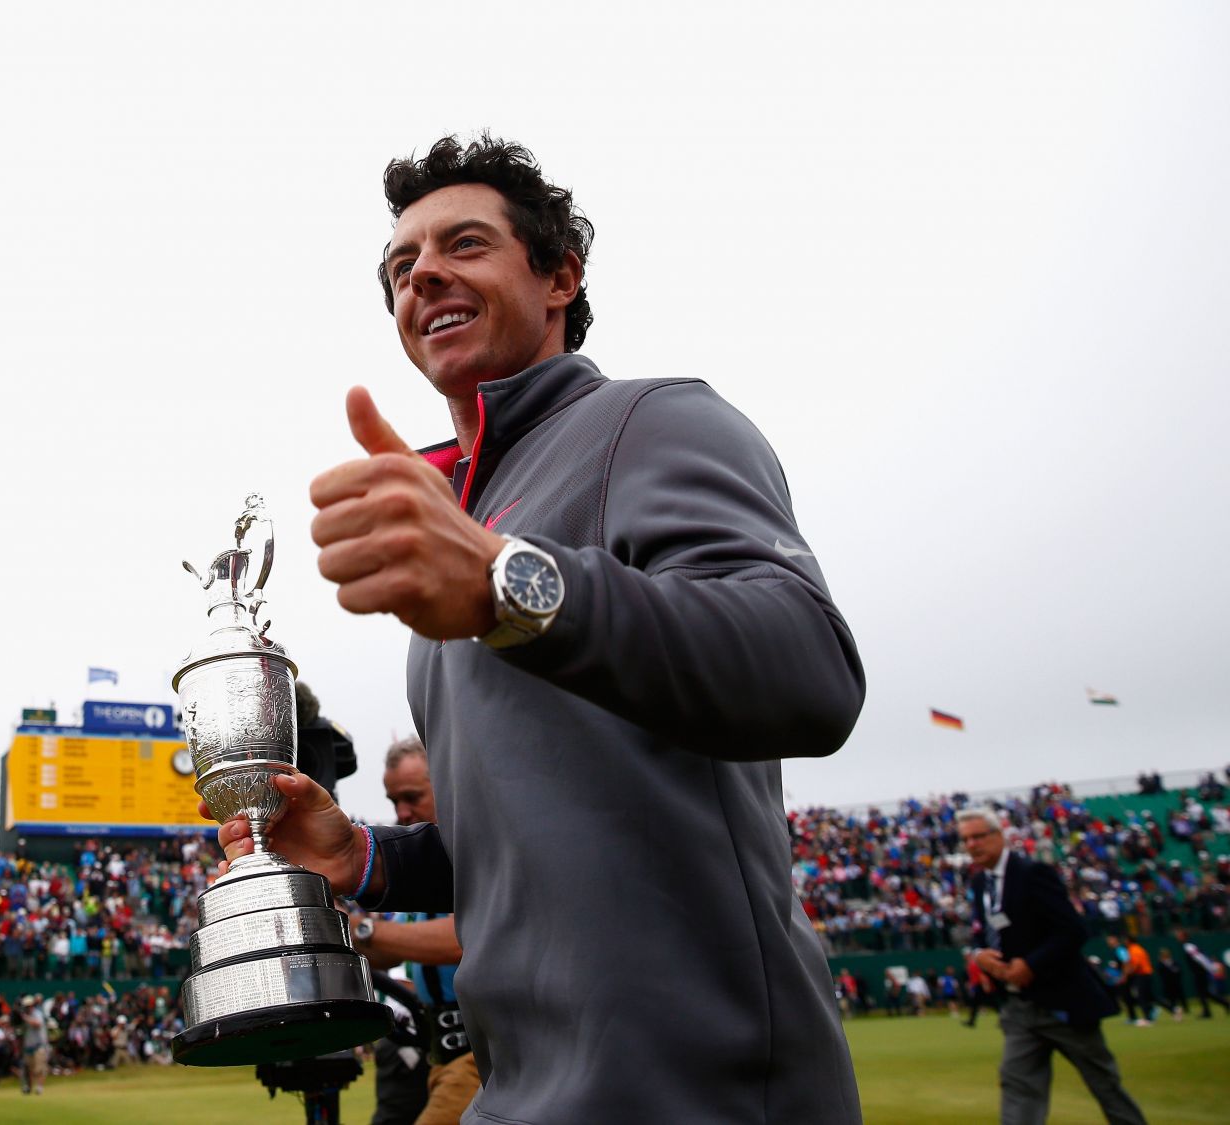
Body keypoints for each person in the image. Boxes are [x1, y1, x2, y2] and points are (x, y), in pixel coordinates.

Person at [211, 133, 864, 1121]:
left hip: (692, 1094)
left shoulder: (654, 423)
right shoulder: (460, 525)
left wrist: (503, 585)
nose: (422, 273)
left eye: (463, 245)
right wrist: (366, 860)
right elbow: (523, 833)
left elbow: (810, 672)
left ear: (561, 276)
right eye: (399, 267)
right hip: (513, 1091)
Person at [959, 807, 1146, 1125]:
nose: (972, 845)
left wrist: (1031, 964)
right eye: (966, 839)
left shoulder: (1032, 873)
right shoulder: (980, 884)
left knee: (1105, 1085)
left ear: (999, 835)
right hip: (1020, 1007)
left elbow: (1073, 929)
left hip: (1063, 1002)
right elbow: (984, 933)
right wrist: (979, 955)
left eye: (978, 836)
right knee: (1017, 1087)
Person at [351, 736, 475, 1125]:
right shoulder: (421, 870)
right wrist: (338, 926)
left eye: (412, 797)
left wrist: (367, 930)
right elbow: (396, 951)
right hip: (440, 1052)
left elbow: (465, 940)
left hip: (479, 1054)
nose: (401, 813)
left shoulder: (478, 852)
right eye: (393, 802)